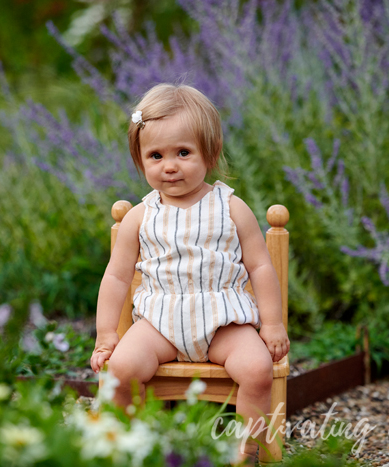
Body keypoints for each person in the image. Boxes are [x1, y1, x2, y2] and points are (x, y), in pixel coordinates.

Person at [90, 83, 290, 464]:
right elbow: (116, 278)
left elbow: (260, 266)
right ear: (140, 160)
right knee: (122, 369)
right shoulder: (140, 216)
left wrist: (273, 324)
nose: (170, 165)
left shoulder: (231, 208)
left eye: (183, 152)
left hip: (223, 323)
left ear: (210, 154)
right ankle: (128, 445)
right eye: (156, 155)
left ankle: (246, 450)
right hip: (159, 324)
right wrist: (106, 335)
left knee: (257, 369)